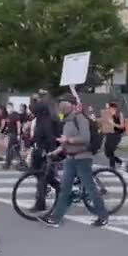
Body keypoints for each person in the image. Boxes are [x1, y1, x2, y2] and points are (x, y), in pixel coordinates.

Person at [37, 94, 108, 228]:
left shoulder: (79, 118)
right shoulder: (67, 121)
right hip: (70, 159)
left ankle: (103, 216)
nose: (61, 106)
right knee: (65, 189)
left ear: (71, 105)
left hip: (83, 158)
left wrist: (69, 140)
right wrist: (54, 152)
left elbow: (85, 138)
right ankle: (56, 219)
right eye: (60, 104)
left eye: (64, 103)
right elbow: (64, 142)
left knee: (90, 189)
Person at [103, 102, 125, 169]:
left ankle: (112, 166)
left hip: (116, 135)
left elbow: (122, 126)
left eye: (110, 108)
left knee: (111, 150)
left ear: (114, 108)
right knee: (107, 152)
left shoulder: (119, 114)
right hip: (109, 134)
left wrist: (113, 124)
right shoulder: (108, 114)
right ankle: (120, 161)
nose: (109, 109)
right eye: (108, 108)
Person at [3, 103, 21, 170]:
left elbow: (18, 124)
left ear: (11, 107)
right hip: (10, 133)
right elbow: (8, 126)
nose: (8, 109)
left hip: (13, 134)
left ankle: (7, 164)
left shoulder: (15, 114)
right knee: (14, 149)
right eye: (7, 107)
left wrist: (19, 134)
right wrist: (4, 133)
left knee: (9, 149)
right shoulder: (9, 116)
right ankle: (15, 163)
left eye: (9, 107)